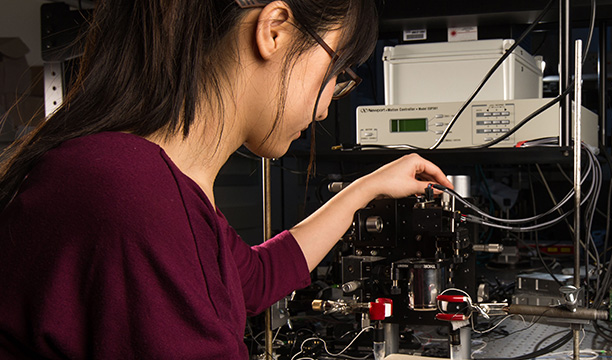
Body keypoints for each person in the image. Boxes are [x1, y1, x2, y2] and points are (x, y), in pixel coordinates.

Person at [0, 0, 452, 358]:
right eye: (336, 73)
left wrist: (366, 188)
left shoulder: (143, 178)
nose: (324, 107)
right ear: (274, 29)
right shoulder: (133, 195)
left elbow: (253, 279)